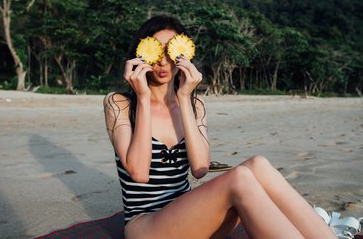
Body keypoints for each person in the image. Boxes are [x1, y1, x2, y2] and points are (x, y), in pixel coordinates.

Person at [104, 15, 335, 239]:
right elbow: (139, 173)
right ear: (141, 52)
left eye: (170, 51)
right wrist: (142, 97)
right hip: (147, 226)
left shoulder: (195, 104)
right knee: (240, 178)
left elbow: (200, 168)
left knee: (258, 164)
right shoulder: (119, 103)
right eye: (155, 50)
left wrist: (185, 98)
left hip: (191, 217)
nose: (163, 61)